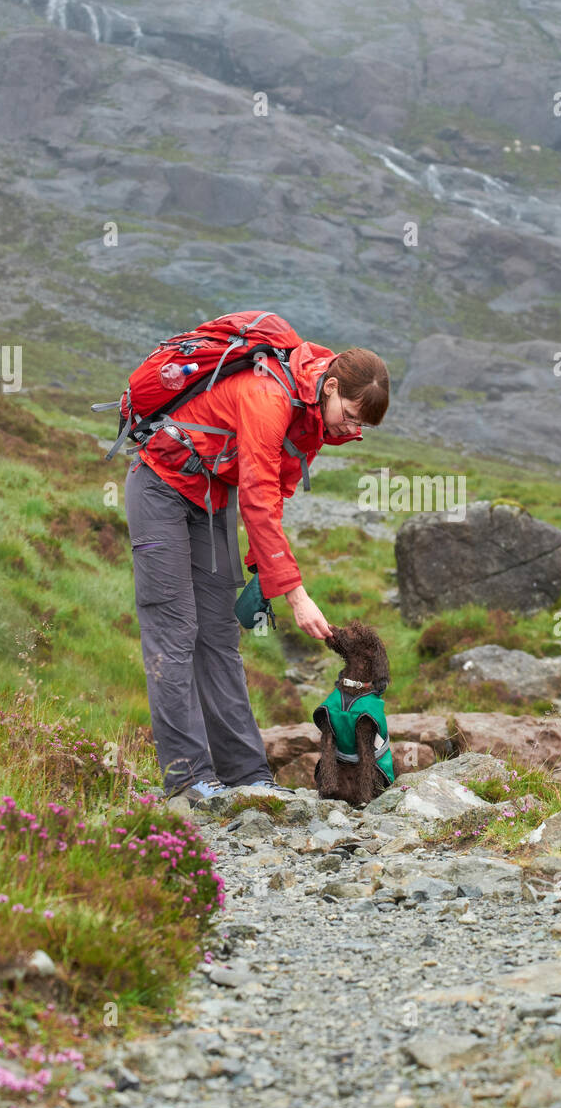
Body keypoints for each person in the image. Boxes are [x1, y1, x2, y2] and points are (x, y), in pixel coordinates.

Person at [123, 338, 389, 805]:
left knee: (219, 637)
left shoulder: (312, 421)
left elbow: (277, 492)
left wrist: (263, 573)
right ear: (329, 387)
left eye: (361, 423)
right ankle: (188, 780)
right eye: (350, 413)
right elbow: (258, 496)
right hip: (159, 487)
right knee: (175, 630)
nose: (352, 427)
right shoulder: (269, 398)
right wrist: (294, 593)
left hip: (209, 499)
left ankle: (248, 775)